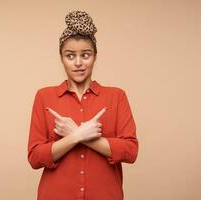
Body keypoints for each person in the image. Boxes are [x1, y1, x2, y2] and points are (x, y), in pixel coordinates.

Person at [27, 10, 139, 200]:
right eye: (70, 56)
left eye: (85, 55)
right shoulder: (44, 96)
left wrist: (77, 134)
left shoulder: (116, 96)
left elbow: (130, 151)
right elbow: (35, 157)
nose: (78, 63)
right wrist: (77, 135)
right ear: (61, 58)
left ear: (95, 56)